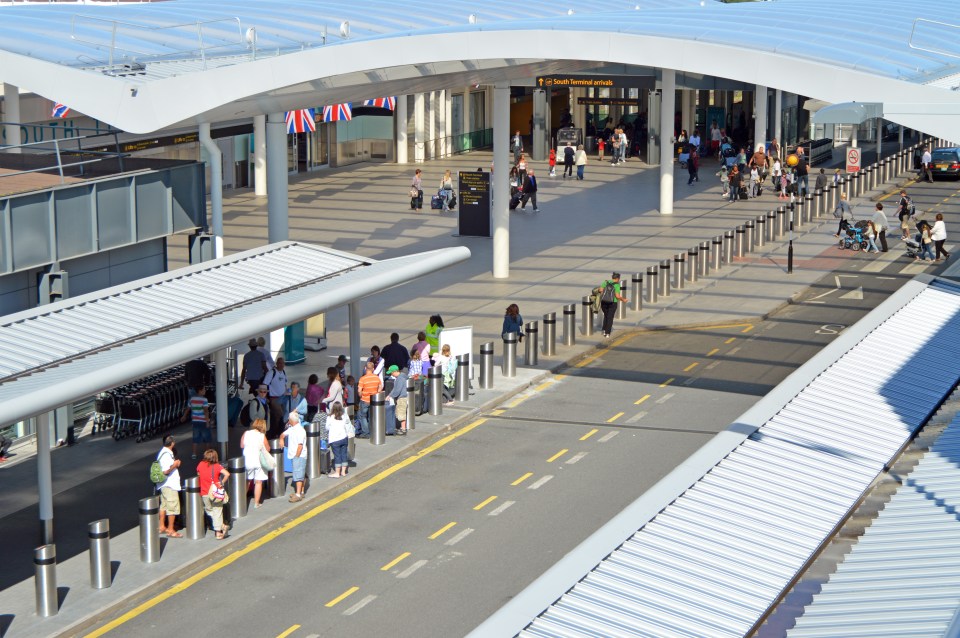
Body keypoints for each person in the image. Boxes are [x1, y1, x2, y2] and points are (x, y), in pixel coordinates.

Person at [197, 449, 230, 540]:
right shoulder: (217, 466)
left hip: (204, 492)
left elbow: (198, 473)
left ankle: (218, 532)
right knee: (217, 512)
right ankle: (221, 527)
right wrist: (222, 482)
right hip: (215, 492)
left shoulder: (200, 464)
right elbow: (227, 474)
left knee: (209, 510)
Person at [156, 436, 182, 537]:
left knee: (164, 505)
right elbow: (166, 471)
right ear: (172, 444)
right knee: (172, 507)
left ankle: (162, 526)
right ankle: (171, 530)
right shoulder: (167, 455)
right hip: (169, 485)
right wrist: (175, 465)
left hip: (163, 485)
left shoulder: (162, 452)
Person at [278, 412, 307, 502]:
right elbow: (283, 434)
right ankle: (301, 492)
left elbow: (300, 446)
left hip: (299, 456)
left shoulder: (300, 430)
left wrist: (297, 457)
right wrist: (281, 439)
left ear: (291, 421)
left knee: (298, 475)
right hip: (294, 455)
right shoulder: (292, 429)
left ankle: (298, 494)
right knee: (300, 474)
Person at [241, 418, 268, 508]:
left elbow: (242, 445)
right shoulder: (262, 436)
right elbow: (267, 448)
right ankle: (256, 503)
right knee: (258, 482)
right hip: (258, 461)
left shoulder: (246, 433)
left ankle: (241, 500)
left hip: (248, 460)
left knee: (248, 481)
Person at [181, 385, 210, 460]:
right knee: (206, 438)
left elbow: (188, 409)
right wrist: (207, 421)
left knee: (195, 438)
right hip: (203, 421)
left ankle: (194, 454)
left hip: (195, 421)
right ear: (200, 391)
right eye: (204, 389)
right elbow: (205, 411)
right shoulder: (204, 400)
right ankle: (207, 454)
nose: (205, 390)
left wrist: (184, 416)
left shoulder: (192, 399)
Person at [262, 356, 288, 437]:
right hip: (274, 398)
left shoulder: (283, 372)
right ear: (277, 363)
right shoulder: (271, 373)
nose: (281, 365)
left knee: (279, 416)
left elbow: (284, 384)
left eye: (282, 363)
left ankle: (276, 432)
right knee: (280, 415)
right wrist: (265, 397)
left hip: (282, 398)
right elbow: (264, 384)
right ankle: (277, 432)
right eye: (279, 363)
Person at [356, 360, 382, 438]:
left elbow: (359, 390)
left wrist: (361, 396)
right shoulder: (376, 378)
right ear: (373, 369)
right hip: (374, 400)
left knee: (362, 416)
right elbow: (380, 387)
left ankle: (366, 432)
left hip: (365, 400)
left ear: (365, 368)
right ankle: (372, 430)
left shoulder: (362, 379)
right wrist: (376, 392)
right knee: (371, 416)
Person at [597, 273, 628, 339]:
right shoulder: (617, 285)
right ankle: (607, 333)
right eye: (619, 279)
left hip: (604, 302)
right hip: (612, 303)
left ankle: (603, 330)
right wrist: (623, 299)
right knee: (610, 317)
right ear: (617, 278)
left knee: (606, 315)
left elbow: (600, 290)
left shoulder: (605, 282)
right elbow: (617, 296)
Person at [325, 402, 352, 478]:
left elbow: (327, 428)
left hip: (334, 439)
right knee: (344, 454)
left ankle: (337, 473)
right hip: (344, 438)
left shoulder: (330, 417)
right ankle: (343, 472)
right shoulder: (344, 415)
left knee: (337, 456)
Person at [386, 364, 409, 434]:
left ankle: (403, 429)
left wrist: (392, 396)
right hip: (401, 398)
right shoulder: (400, 377)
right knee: (399, 412)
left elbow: (397, 390)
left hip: (401, 398)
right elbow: (395, 389)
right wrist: (389, 395)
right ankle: (402, 428)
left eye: (392, 373)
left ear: (396, 371)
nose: (391, 374)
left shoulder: (400, 379)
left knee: (401, 413)